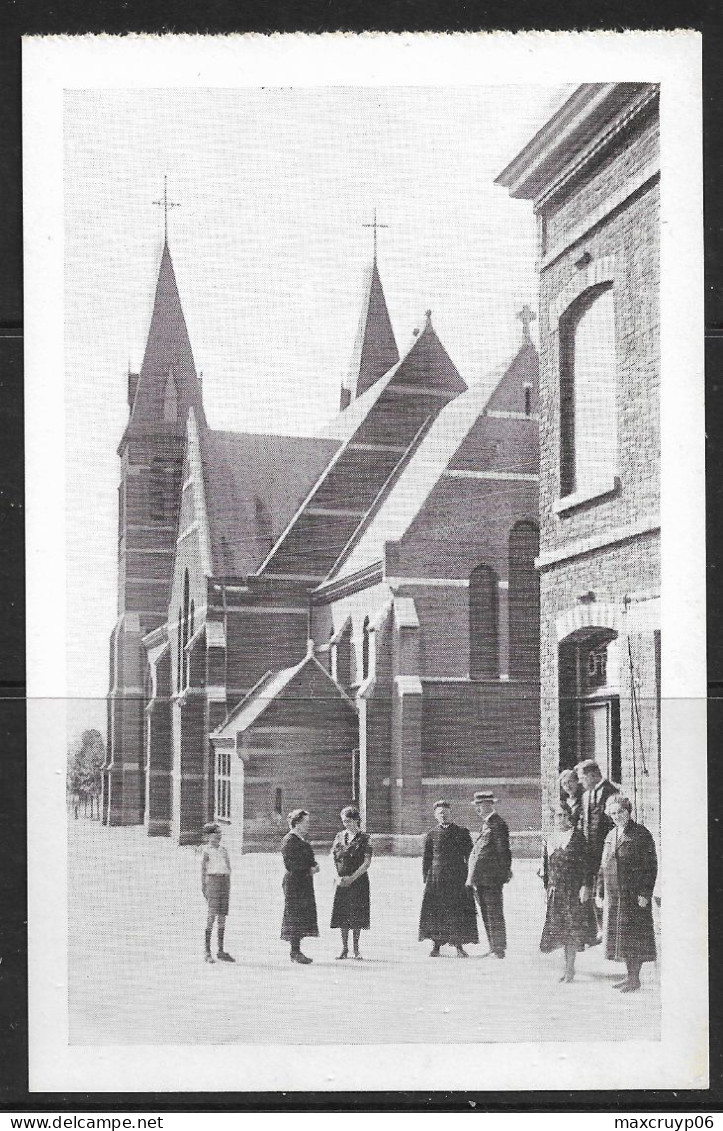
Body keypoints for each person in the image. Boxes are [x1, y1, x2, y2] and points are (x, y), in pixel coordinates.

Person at [597, 794, 658, 993]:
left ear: (628, 811)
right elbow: (603, 865)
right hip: (615, 895)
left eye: (620, 812)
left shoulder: (641, 834)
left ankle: (635, 979)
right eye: (612, 813)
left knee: (634, 936)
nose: (616, 816)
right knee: (622, 937)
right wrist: (600, 891)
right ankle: (629, 976)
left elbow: (650, 866)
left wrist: (645, 893)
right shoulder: (610, 835)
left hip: (634, 895)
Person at [540, 807, 597, 983]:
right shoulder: (549, 839)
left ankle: (570, 969)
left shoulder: (578, 837)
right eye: (558, 816)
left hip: (573, 891)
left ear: (569, 817)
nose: (562, 819)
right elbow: (545, 867)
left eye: (565, 815)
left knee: (572, 932)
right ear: (553, 818)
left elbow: (588, 865)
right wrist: (547, 889)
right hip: (556, 892)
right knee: (561, 932)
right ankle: (566, 968)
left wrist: (586, 887)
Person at [419, 800, 478, 958]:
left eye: (445, 813)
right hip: (436, 880)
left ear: (450, 813)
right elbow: (427, 858)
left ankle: (459, 947)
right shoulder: (431, 835)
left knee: (457, 911)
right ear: (435, 816)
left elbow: (471, 856)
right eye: (440, 813)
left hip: (457, 879)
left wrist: (471, 877)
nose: (443, 816)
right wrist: (426, 877)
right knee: (437, 912)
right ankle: (436, 947)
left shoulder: (462, 832)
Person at [466, 791, 512, 958]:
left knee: (494, 912)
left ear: (489, 804)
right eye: (476, 805)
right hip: (482, 878)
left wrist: (502, 874)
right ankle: (493, 946)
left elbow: (503, 852)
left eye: (480, 805)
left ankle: (498, 949)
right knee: (487, 912)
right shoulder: (487, 824)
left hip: (491, 878)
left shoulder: (498, 824)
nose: (477, 809)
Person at [576, 759, 619, 933]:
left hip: (607, 852)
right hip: (590, 854)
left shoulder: (611, 792)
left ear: (593, 775)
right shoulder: (586, 795)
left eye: (582, 777)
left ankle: (611, 930)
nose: (580, 782)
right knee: (593, 891)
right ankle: (601, 930)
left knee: (607, 890)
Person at [330, 806, 372, 959]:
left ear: (356, 820)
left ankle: (356, 949)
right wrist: (337, 876)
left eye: (348, 821)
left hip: (358, 881)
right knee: (342, 915)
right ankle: (344, 948)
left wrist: (352, 878)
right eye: (343, 822)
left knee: (356, 915)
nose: (345, 824)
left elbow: (367, 862)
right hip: (341, 881)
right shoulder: (339, 836)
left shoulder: (365, 838)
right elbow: (333, 857)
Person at [281, 809, 319, 964]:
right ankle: (294, 952)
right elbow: (291, 864)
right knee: (295, 914)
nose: (308, 825)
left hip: (304, 881)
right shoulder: (289, 840)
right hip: (294, 882)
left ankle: (297, 950)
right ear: (297, 823)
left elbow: (310, 858)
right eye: (306, 822)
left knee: (302, 914)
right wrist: (309, 869)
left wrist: (314, 865)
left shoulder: (302, 840)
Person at [201, 822, 235, 964]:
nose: (218, 838)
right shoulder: (207, 851)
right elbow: (203, 871)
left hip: (224, 882)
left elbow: (228, 867)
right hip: (212, 882)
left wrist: (227, 882)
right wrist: (205, 887)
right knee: (212, 915)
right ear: (208, 836)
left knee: (222, 916)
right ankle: (207, 951)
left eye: (220, 835)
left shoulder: (223, 850)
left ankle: (220, 950)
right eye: (215, 835)